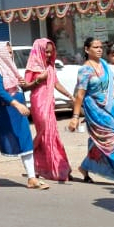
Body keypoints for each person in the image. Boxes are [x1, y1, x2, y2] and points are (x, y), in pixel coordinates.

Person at [69, 37, 114, 188]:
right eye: (95, 47)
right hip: (95, 112)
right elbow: (80, 95)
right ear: (87, 50)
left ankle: (85, 167)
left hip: (110, 108)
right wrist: (75, 117)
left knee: (104, 142)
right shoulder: (85, 70)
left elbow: (109, 88)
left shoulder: (104, 65)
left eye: (101, 47)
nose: (99, 49)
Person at [0, 41, 46, 190]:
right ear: (0, 53)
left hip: (18, 112)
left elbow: (19, 88)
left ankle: (31, 178)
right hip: (3, 112)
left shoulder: (11, 69)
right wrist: (17, 104)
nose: (11, 55)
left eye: (11, 52)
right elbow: (0, 92)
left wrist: (24, 84)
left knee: (25, 141)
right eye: (8, 52)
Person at [27, 38, 73, 183]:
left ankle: (56, 167)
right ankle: (49, 166)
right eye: (45, 52)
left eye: (50, 52)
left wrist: (69, 95)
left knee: (52, 135)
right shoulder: (33, 67)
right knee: (45, 133)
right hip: (39, 104)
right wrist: (39, 79)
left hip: (50, 104)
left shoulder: (50, 67)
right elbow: (26, 86)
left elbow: (56, 83)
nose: (48, 55)